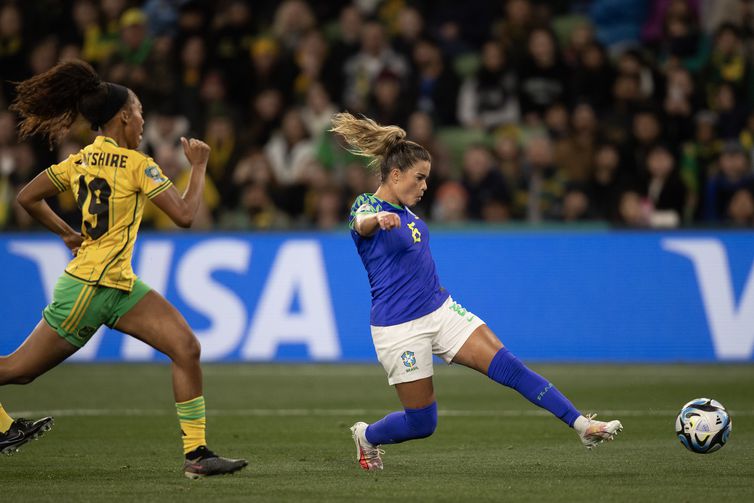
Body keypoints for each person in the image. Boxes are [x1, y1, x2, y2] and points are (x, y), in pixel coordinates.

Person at [330, 112, 623, 471]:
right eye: (419, 178)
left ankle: (581, 424)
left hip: (440, 311)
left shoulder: (408, 214)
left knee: (509, 367)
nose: (425, 186)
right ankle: (367, 436)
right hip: (398, 328)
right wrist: (377, 220)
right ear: (395, 175)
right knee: (423, 423)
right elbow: (360, 224)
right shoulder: (368, 206)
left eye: (427, 179)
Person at [0, 60, 247, 479]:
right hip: (88, 290)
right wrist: (199, 165)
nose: (143, 122)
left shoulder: (79, 160)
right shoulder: (138, 165)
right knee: (16, 372)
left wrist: (65, 232)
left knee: (186, 348)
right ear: (124, 118)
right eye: (140, 114)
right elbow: (186, 215)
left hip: (117, 286)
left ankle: (197, 455)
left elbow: (26, 197)